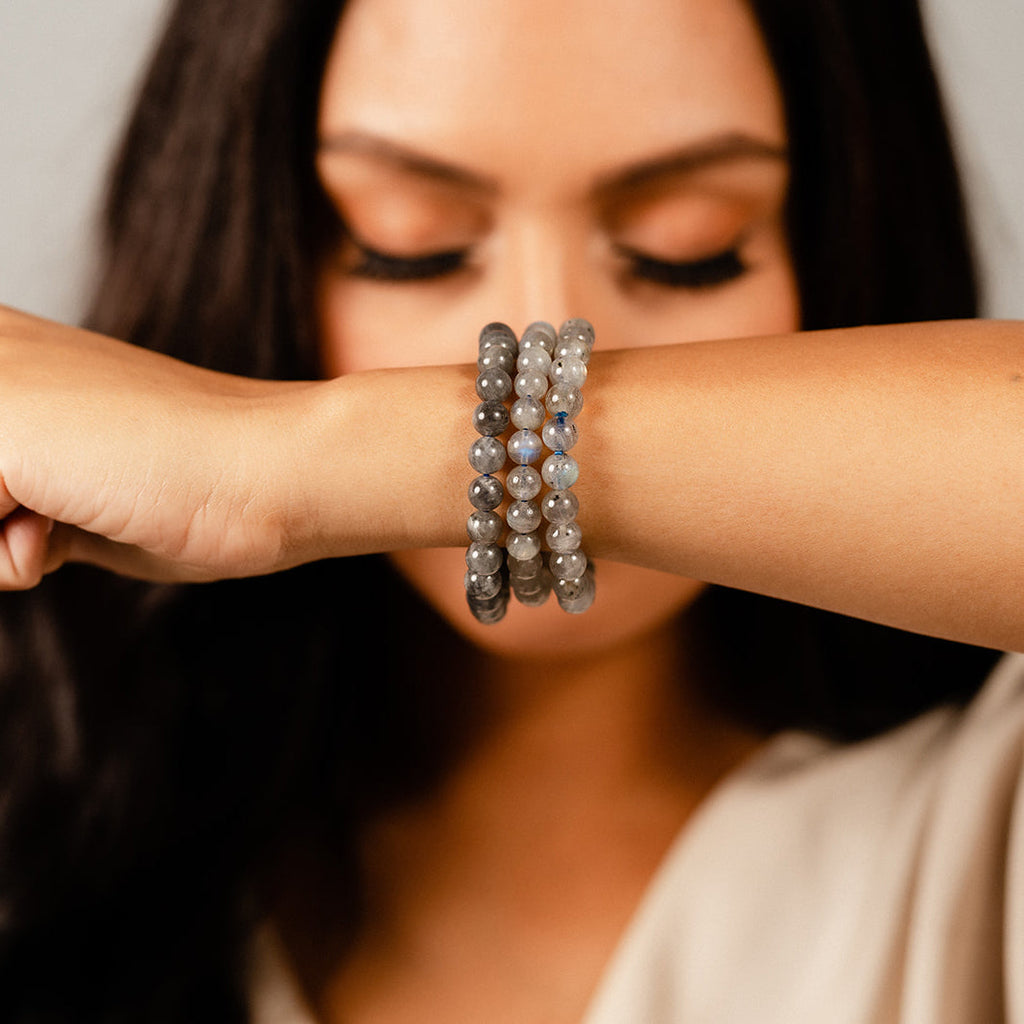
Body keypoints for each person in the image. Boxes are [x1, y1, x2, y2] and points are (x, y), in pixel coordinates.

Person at [0, 0, 1021, 1020]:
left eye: (688, 249)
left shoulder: (978, 829)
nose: (541, 322)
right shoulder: (43, 813)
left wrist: (293, 456)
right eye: (409, 247)